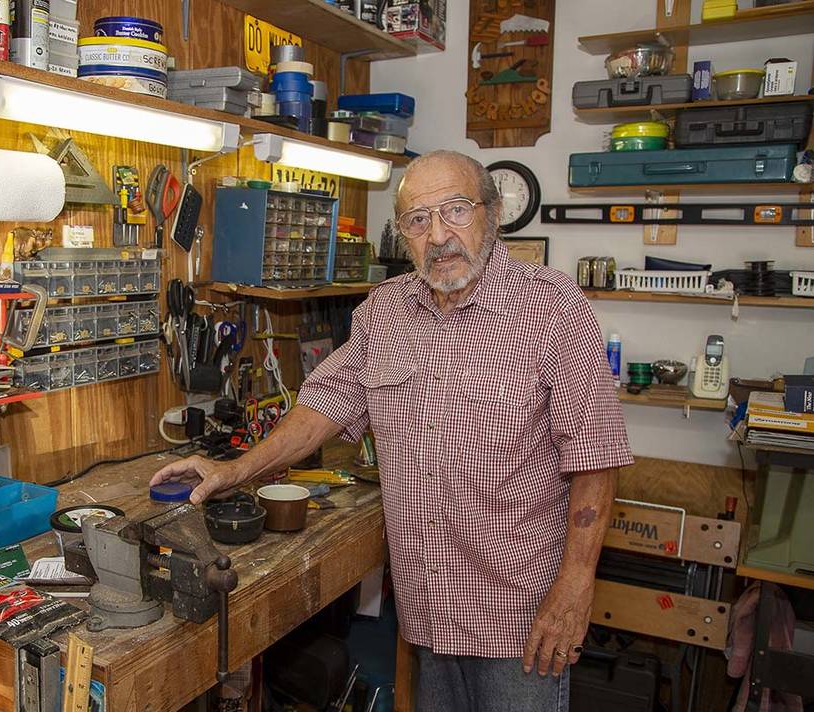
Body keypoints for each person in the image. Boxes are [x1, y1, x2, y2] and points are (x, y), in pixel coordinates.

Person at [151, 150, 633, 711]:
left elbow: (596, 459)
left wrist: (574, 589)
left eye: (455, 210)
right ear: (403, 235)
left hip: (519, 614)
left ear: (492, 214)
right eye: (418, 220)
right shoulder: (384, 313)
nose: (439, 236)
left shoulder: (553, 309)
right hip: (427, 605)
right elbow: (322, 408)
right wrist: (234, 469)